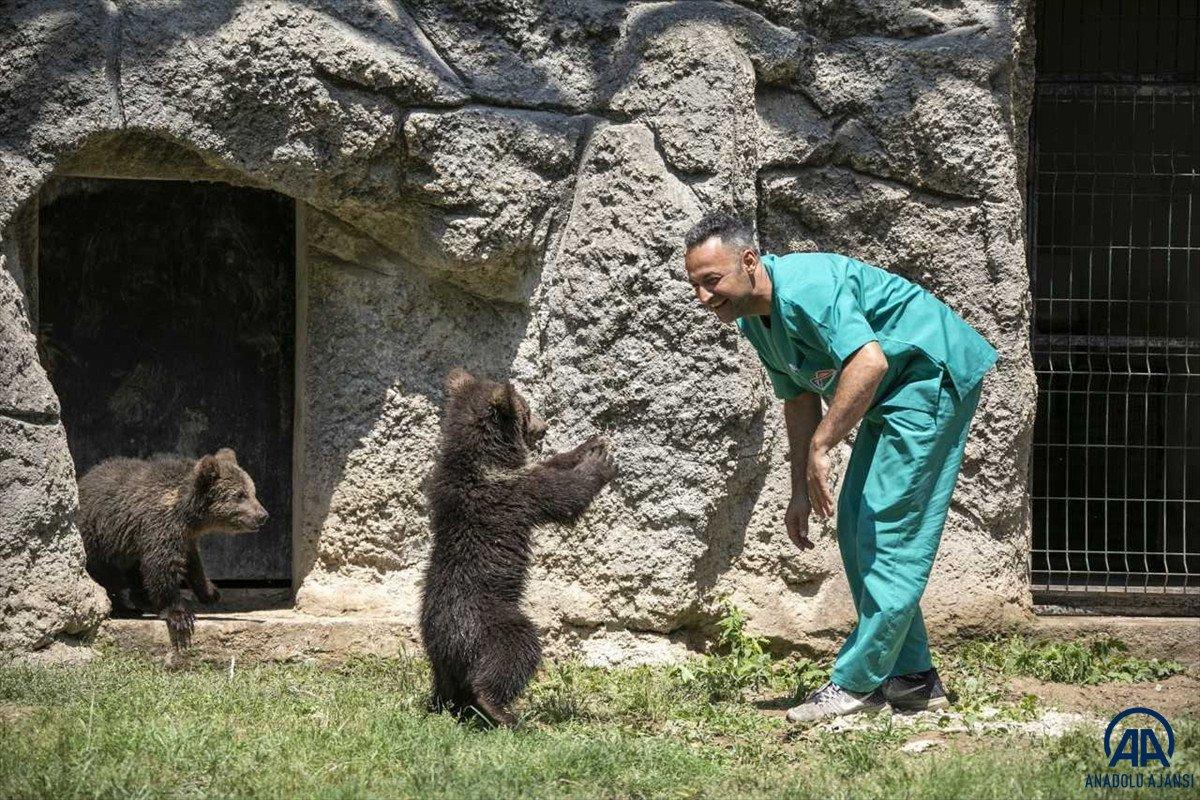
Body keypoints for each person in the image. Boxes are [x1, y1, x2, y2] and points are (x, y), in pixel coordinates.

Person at [682, 212, 997, 722]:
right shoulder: (754, 319)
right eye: (695, 285)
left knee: (889, 530)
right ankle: (913, 677)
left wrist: (824, 446)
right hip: (886, 394)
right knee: (855, 526)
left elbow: (868, 362)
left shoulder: (807, 289)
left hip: (926, 376)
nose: (703, 297)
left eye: (711, 280)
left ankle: (858, 684)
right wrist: (799, 490)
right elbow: (798, 396)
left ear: (748, 262)